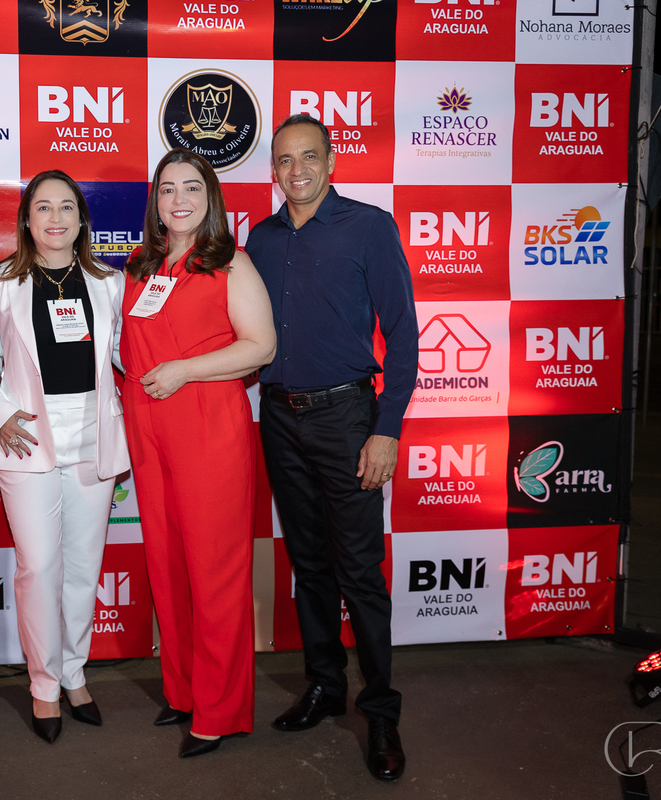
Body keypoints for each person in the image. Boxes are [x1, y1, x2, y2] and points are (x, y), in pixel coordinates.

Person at [245, 114, 418, 782]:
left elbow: (403, 335)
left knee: (359, 571)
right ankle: (324, 685)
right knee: (310, 564)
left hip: (348, 418)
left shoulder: (369, 227)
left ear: (332, 161)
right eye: (285, 160)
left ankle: (381, 713)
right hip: (279, 418)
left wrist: (387, 428)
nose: (298, 170)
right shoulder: (260, 239)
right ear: (274, 170)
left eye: (309, 156)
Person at [119, 148, 275, 758]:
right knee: (168, 564)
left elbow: (261, 346)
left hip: (209, 426)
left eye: (191, 187)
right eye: (167, 189)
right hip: (149, 430)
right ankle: (183, 691)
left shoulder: (232, 262)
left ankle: (221, 709)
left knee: (215, 570)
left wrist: (185, 369)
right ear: (155, 200)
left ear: (210, 197)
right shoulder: (143, 266)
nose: (178, 199)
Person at [0, 170, 130, 744]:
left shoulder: (110, 281)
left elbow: (126, 354)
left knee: (84, 566)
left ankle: (73, 673)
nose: (55, 218)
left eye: (66, 207)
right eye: (43, 207)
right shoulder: (0, 281)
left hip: (92, 435)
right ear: (27, 219)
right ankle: (43, 685)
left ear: (82, 220)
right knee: (38, 566)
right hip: (27, 437)